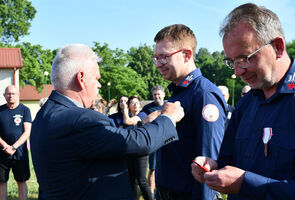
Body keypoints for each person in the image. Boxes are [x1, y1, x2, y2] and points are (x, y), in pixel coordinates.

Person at [30, 44, 184, 200]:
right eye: (96, 78)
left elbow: (105, 142)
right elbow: (136, 143)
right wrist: (168, 118)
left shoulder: (44, 115)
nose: (99, 85)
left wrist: (142, 125)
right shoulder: (81, 119)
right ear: (81, 79)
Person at [191, 3, 295, 200]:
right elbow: (229, 161)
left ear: (278, 47)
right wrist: (213, 167)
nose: (237, 71)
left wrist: (246, 183)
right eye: (232, 61)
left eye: (245, 58)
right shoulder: (247, 103)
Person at [153, 24, 227, 200]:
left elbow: (207, 162)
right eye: (156, 58)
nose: (158, 64)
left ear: (187, 55)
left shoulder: (203, 94)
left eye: (164, 57)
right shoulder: (179, 92)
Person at [0, 85, 32, 200]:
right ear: (4, 95)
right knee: (1, 182)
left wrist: (13, 147)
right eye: (8, 93)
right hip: (2, 153)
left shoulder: (25, 110)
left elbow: (27, 132)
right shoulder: (0, 110)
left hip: (20, 154)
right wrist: (5, 146)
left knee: (21, 181)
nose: (11, 96)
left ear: (18, 94)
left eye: (13, 93)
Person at [123, 95, 152, 200]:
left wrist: (125, 110)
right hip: (130, 150)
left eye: (137, 103)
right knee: (132, 180)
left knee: (141, 180)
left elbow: (127, 122)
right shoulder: (128, 116)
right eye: (132, 103)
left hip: (141, 151)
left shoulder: (142, 115)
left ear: (140, 105)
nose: (135, 105)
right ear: (129, 106)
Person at [141, 86, 166, 198]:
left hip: (167, 141)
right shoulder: (147, 108)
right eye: (155, 94)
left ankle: (164, 189)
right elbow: (140, 119)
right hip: (154, 141)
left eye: (159, 94)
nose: (157, 96)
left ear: (164, 94)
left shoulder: (168, 106)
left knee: (167, 166)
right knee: (152, 168)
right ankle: (151, 193)